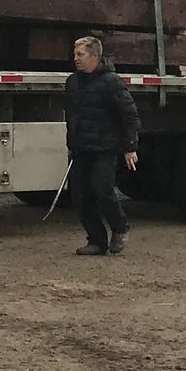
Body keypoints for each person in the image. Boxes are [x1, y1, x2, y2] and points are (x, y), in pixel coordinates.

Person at [63, 34, 141, 256]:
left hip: (105, 148)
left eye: (80, 54)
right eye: (74, 54)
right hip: (81, 149)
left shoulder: (111, 82)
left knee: (102, 189)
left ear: (94, 55)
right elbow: (72, 116)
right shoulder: (73, 82)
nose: (76, 58)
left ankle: (120, 227)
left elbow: (129, 115)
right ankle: (96, 240)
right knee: (79, 196)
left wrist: (130, 147)